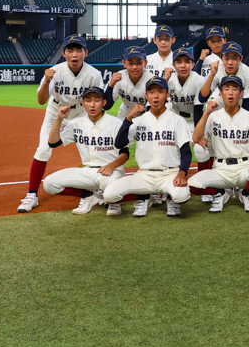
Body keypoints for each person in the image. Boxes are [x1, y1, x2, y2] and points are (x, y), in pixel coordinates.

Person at [18, 34, 104, 214]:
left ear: (85, 53)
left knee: (92, 152)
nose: (74, 54)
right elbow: (41, 100)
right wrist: (47, 80)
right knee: (43, 149)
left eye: (78, 50)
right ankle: (32, 195)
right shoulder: (54, 72)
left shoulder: (93, 74)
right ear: (64, 53)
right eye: (70, 50)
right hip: (55, 112)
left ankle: (97, 190)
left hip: (81, 114)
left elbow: (98, 101)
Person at [104, 77, 194, 218]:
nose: (156, 95)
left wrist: (182, 173)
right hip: (144, 175)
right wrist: (129, 118)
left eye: (160, 91)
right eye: (151, 92)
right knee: (109, 194)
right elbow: (119, 144)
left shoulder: (177, 120)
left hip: (169, 174)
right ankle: (144, 196)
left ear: (167, 95)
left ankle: (170, 198)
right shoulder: (139, 120)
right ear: (146, 96)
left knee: (181, 195)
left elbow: (186, 152)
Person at [42, 87, 129, 216]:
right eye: (88, 100)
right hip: (88, 171)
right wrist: (59, 119)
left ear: (104, 102)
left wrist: (112, 166)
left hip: (112, 172)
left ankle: (113, 202)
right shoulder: (76, 123)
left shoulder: (116, 123)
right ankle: (88, 195)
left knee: (108, 185)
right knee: (49, 184)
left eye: (97, 100)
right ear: (83, 103)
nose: (92, 104)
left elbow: (125, 153)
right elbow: (53, 142)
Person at [188, 75, 249, 213]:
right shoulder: (213, 116)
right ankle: (220, 193)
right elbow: (196, 138)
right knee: (191, 185)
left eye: (235, 88)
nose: (230, 92)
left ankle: (246, 194)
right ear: (220, 92)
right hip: (220, 169)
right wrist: (207, 112)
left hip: (244, 167)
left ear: (241, 93)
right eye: (226, 88)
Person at [166, 48, 211, 203]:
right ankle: (171, 184)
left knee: (200, 149)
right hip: (178, 118)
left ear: (193, 63)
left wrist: (198, 136)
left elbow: (199, 108)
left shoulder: (198, 81)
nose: (183, 65)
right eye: (179, 62)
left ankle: (205, 185)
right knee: (171, 148)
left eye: (187, 61)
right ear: (173, 64)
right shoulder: (170, 81)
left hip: (196, 118)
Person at [104, 46, 153, 120]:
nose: (134, 67)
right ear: (124, 63)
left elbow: (155, 108)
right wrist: (111, 85)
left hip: (146, 115)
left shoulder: (151, 80)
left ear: (145, 63)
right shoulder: (118, 77)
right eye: (130, 63)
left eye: (139, 63)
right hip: (125, 113)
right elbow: (107, 106)